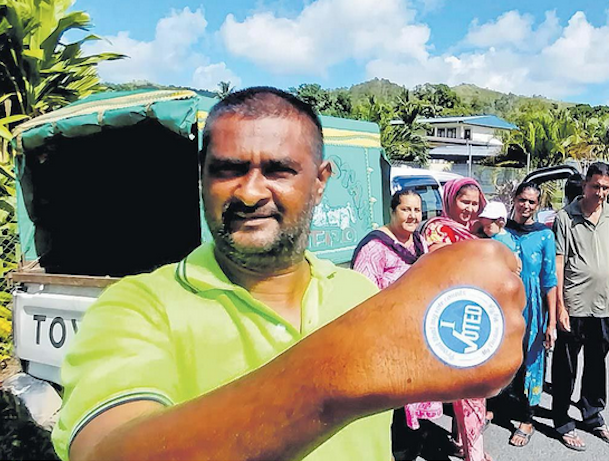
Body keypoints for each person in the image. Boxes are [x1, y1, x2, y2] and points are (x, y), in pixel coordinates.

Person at [51, 87, 526, 461]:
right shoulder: (137, 307)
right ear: (201, 179)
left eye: (278, 170)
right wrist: (345, 367)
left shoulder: (358, 294)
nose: (251, 191)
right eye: (228, 169)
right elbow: (103, 451)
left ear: (320, 181)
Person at [351, 188, 439, 460]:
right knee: (396, 410)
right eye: (406, 209)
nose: (412, 215)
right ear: (392, 211)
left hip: (419, 339)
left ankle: (412, 449)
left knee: (418, 405)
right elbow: (362, 299)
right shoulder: (375, 247)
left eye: (416, 210)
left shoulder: (420, 243)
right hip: (388, 343)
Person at [552, 161, 609, 451]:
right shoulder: (565, 217)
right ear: (584, 185)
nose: (601, 193)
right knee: (565, 366)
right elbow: (558, 262)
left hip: (605, 305)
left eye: (606, 188)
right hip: (575, 304)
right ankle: (562, 420)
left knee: (597, 363)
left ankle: (592, 413)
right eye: (596, 186)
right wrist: (559, 305)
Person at [420, 178, 492, 461]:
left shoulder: (473, 232)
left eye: (475, 204)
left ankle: (466, 443)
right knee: (469, 388)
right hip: (447, 316)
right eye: (465, 202)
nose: (470, 209)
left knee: (473, 387)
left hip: (474, 314)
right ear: (450, 199)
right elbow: (437, 259)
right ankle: (472, 452)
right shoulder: (437, 228)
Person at [504, 183, 557, 447]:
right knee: (502, 359)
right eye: (522, 200)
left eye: (532, 202)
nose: (526, 206)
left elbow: (550, 280)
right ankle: (496, 407)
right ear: (514, 199)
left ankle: (527, 419)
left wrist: (552, 323)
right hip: (504, 306)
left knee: (532, 362)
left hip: (533, 308)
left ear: (538, 205)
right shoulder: (500, 231)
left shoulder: (544, 236)